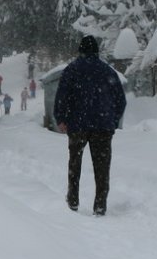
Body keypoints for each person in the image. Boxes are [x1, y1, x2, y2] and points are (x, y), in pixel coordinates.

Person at [53, 35, 126, 216]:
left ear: (80, 50)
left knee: (74, 165)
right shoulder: (108, 72)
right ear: (97, 51)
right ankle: (100, 206)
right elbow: (121, 100)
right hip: (102, 126)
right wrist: (113, 121)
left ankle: (73, 202)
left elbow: (61, 96)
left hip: (77, 125)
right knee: (102, 169)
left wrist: (61, 119)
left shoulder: (71, 70)